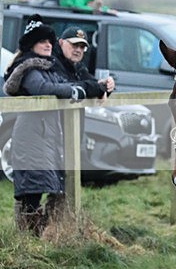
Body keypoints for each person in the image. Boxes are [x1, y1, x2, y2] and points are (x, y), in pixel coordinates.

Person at [2, 16, 110, 235]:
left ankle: (46, 238)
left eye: (49, 41)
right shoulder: (30, 68)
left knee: (49, 186)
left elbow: (72, 83)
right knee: (31, 192)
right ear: (32, 44)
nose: (47, 44)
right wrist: (72, 91)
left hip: (47, 137)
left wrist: (99, 87)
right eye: (42, 41)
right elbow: (42, 88)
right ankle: (26, 242)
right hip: (32, 138)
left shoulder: (47, 67)